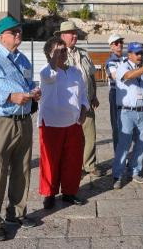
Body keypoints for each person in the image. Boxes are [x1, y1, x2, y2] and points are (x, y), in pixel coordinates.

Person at [0, 16, 40, 242]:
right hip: (0, 122)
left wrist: (34, 91)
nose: (18, 35)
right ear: (1, 36)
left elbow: (29, 83)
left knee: (22, 169)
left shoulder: (23, 59)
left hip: (24, 120)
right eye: (13, 32)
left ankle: (16, 213)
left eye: (19, 31)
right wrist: (9, 96)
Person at [38, 37, 89, 209]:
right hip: (51, 123)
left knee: (73, 161)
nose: (63, 53)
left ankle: (69, 192)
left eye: (64, 50)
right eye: (58, 51)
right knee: (50, 162)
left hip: (73, 123)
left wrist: (83, 112)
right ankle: (49, 194)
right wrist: (54, 57)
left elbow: (83, 95)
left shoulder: (75, 72)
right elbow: (50, 75)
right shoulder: (46, 71)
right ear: (49, 54)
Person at [55, 21, 104, 177]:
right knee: (71, 139)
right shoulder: (57, 54)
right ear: (63, 36)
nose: (75, 35)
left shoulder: (83, 53)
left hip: (86, 103)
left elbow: (91, 76)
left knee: (90, 136)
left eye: (75, 33)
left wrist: (94, 95)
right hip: (68, 105)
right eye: (71, 33)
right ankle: (73, 166)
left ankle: (89, 165)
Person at [112, 42, 143, 189]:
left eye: (141, 53)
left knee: (142, 144)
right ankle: (117, 175)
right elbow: (128, 76)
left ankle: (135, 171)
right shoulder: (123, 66)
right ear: (129, 54)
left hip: (141, 111)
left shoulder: (142, 71)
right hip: (126, 111)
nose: (140, 56)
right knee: (124, 144)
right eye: (137, 53)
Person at [105, 33, 126, 152]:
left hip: (127, 93)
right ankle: (119, 154)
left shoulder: (126, 59)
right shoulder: (110, 61)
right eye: (116, 43)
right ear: (111, 46)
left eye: (121, 42)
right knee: (118, 125)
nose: (119, 45)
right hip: (116, 93)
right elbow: (116, 76)